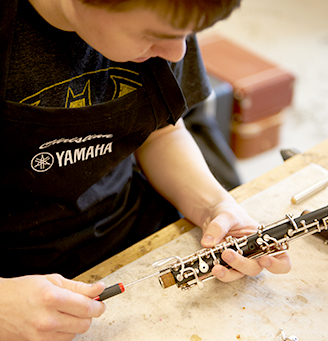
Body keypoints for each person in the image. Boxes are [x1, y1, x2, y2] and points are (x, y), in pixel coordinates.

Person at [0, 0, 292, 340]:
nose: (177, 53)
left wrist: (216, 207)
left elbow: (160, 132)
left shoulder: (169, 15)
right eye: (154, 35)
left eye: (186, 35)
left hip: (128, 233)